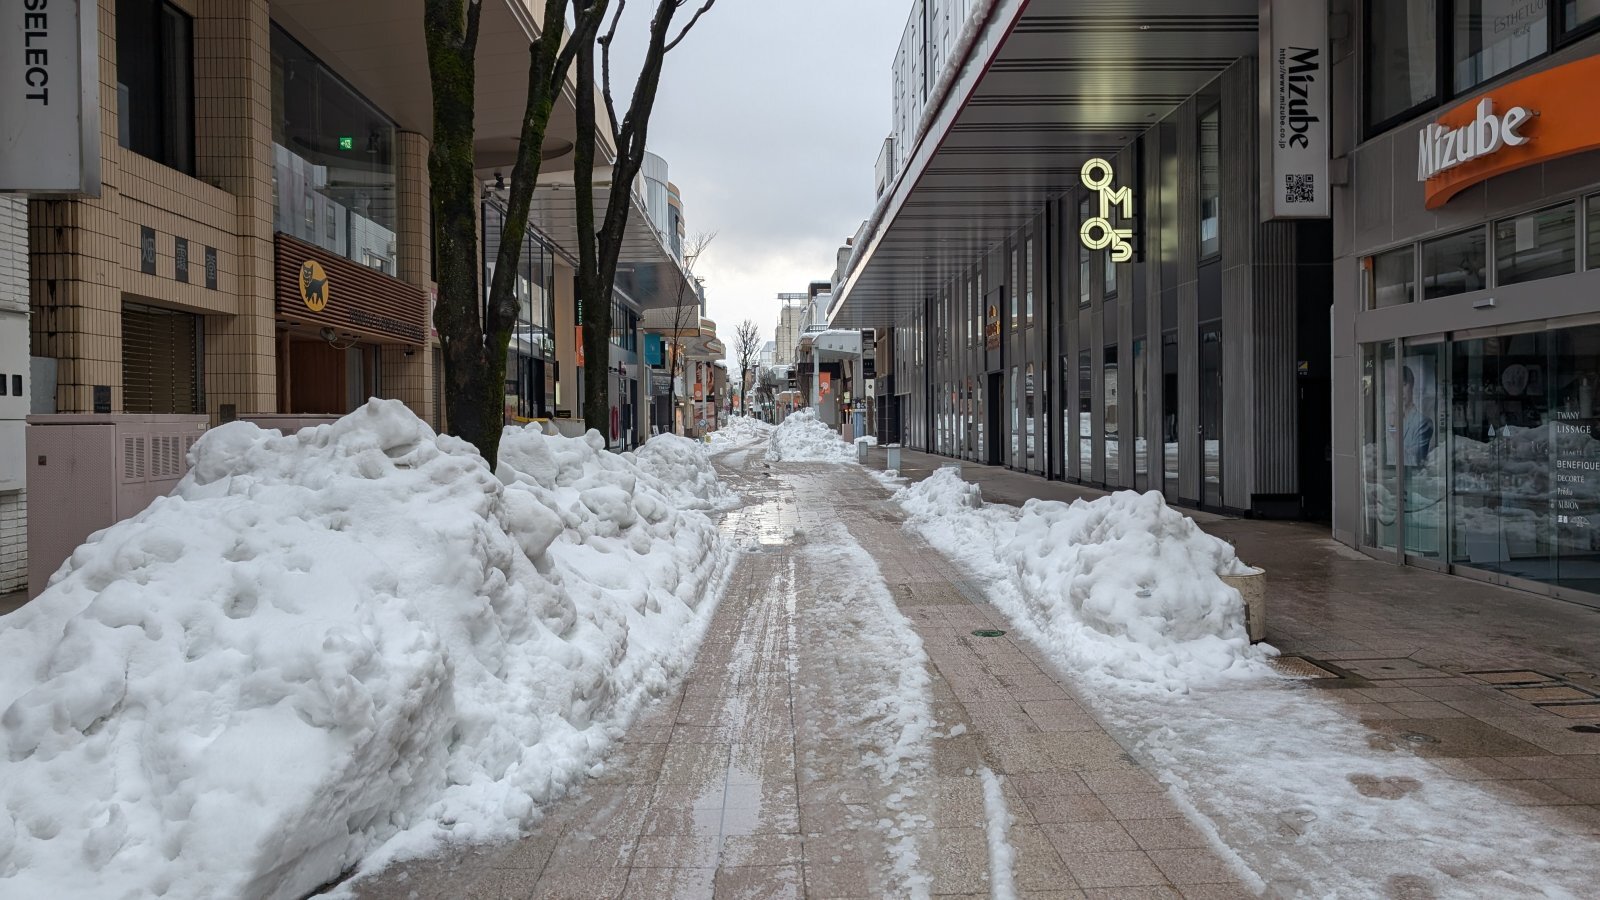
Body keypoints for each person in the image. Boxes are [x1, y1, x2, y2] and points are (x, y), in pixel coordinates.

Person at [1401, 365, 1434, 467]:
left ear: (1412, 386)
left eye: (1403, 385)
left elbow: (1416, 460)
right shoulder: (1391, 422)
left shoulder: (1424, 422)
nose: (1400, 391)